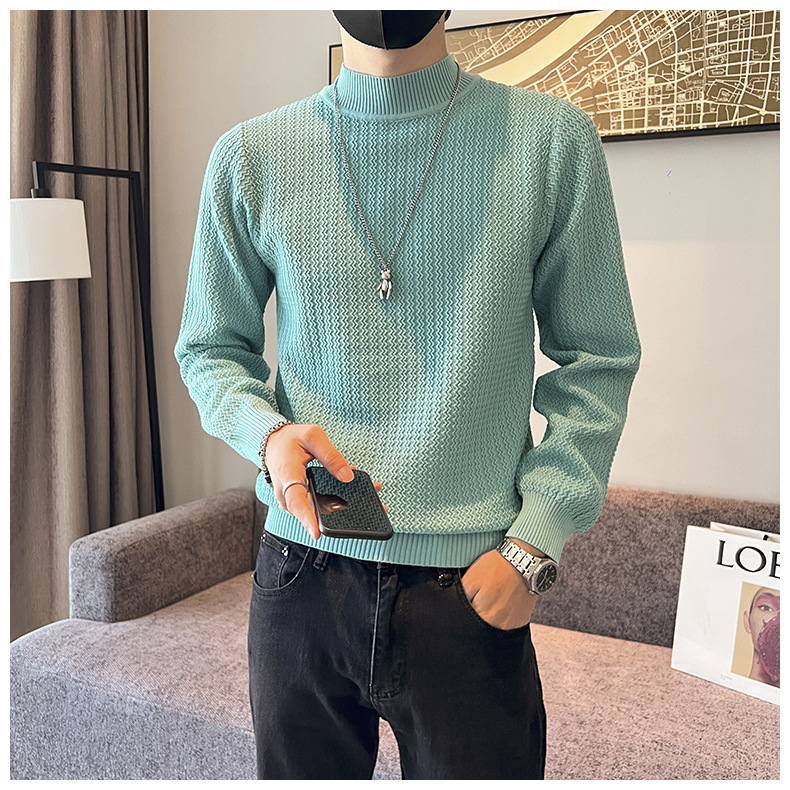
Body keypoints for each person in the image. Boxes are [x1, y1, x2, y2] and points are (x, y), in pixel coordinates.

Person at [174, 9, 641, 780]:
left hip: (472, 584)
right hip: (302, 572)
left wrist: (535, 542)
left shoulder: (550, 141)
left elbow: (598, 357)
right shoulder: (251, 155)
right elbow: (210, 347)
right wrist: (266, 433)